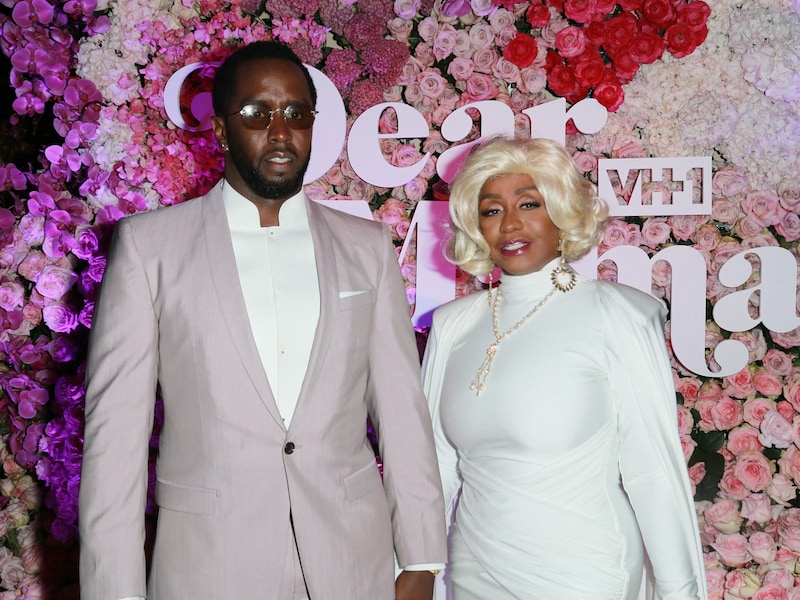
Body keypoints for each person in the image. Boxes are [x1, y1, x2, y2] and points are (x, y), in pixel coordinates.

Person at [78, 40, 446, 600]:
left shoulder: (366, 246)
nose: (280, 131)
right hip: (209, 566)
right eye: (256, 113)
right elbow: (114, 446)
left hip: (351, 563)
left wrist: (420, 558)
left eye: (296, 113)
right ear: (222, 129)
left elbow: (401, 409)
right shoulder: (149, 247)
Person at [422, 136, 708, 600]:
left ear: (560, 212)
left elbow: (650, 469)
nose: (510, 223)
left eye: (529, 203)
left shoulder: (617, 313)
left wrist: (680, 592)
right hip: (473, 568)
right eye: (492, 210)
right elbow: (436, 468)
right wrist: (418, 570)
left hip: (583, 570)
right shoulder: (453, 325)